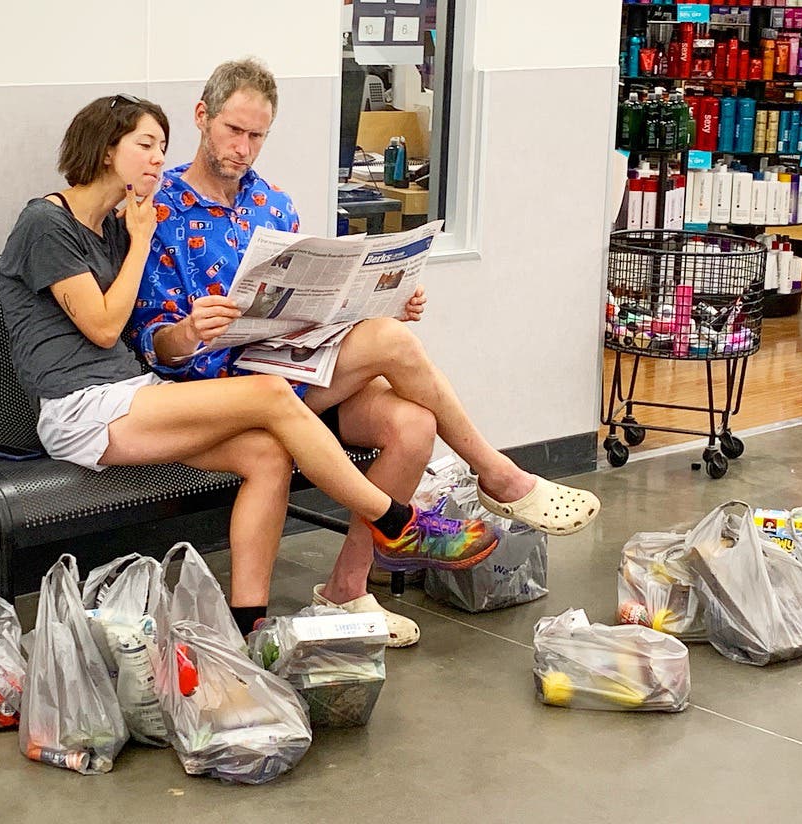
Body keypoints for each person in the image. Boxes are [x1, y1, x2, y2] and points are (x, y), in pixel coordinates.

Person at [128, 59, 601, 648]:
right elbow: (153, 346)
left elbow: (308, 310)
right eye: (233, 131)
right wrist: (193, 330)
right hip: (219, 394)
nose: (244, 149)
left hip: (292, 371)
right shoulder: (162, 208)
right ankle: (497, 472)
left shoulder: (273, 205)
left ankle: (347, 587)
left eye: (258, 136)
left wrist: (382, 298)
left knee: (412, 420)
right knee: (391, 348)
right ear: (202, 118)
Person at [0, 93, 504, 638]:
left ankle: (248, 627)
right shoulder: (46, 222)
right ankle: (397, 522)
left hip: (130, 394)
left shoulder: (116, 226)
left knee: (267, 453)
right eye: (145, 145)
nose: (156, 160)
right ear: (103, 149)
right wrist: (144, 242)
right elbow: (101, 326)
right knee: (270, 396)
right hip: (79, 409)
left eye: (162, 148)